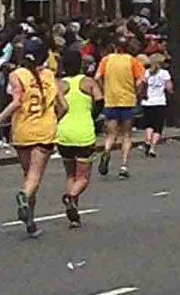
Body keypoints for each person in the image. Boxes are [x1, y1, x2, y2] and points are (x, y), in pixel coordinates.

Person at [0, 38, 67, 237]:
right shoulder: (49, 75)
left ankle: (31, 221)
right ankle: (24, 197)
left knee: (27, 175)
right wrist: (56, 119)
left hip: (21, 130)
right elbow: (64, 106)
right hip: (44, 130)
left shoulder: (16, 75)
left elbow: (17, 101)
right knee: (34, 177)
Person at [56, 50, 103, 228]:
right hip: (84, 133)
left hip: (64, 133)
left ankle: (74, 214)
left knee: (70, 174)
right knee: (83, 177)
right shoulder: (88, 82)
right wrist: (91, 116)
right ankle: (70, 198)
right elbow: (100, 101)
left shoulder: (59, 85)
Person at [95, 37, 145, 178]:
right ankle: (123, 165)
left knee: (111, 133)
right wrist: (137, 92)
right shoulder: (132, 61)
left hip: (111, 100)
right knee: (127, 134)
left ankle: (106, 151)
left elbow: (97, 76)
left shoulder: (106, 60)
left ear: (115, 47)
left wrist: (104, 88)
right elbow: (141, 80)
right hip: (127, 101)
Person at [141, 53, 173, 158]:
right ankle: (153, 148)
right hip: (159, 102)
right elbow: (169, 87)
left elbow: (142, 85)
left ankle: (147, 140)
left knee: (149, 124)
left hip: (147, 102)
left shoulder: (146, 73)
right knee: (158, 127)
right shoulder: (164, 73)